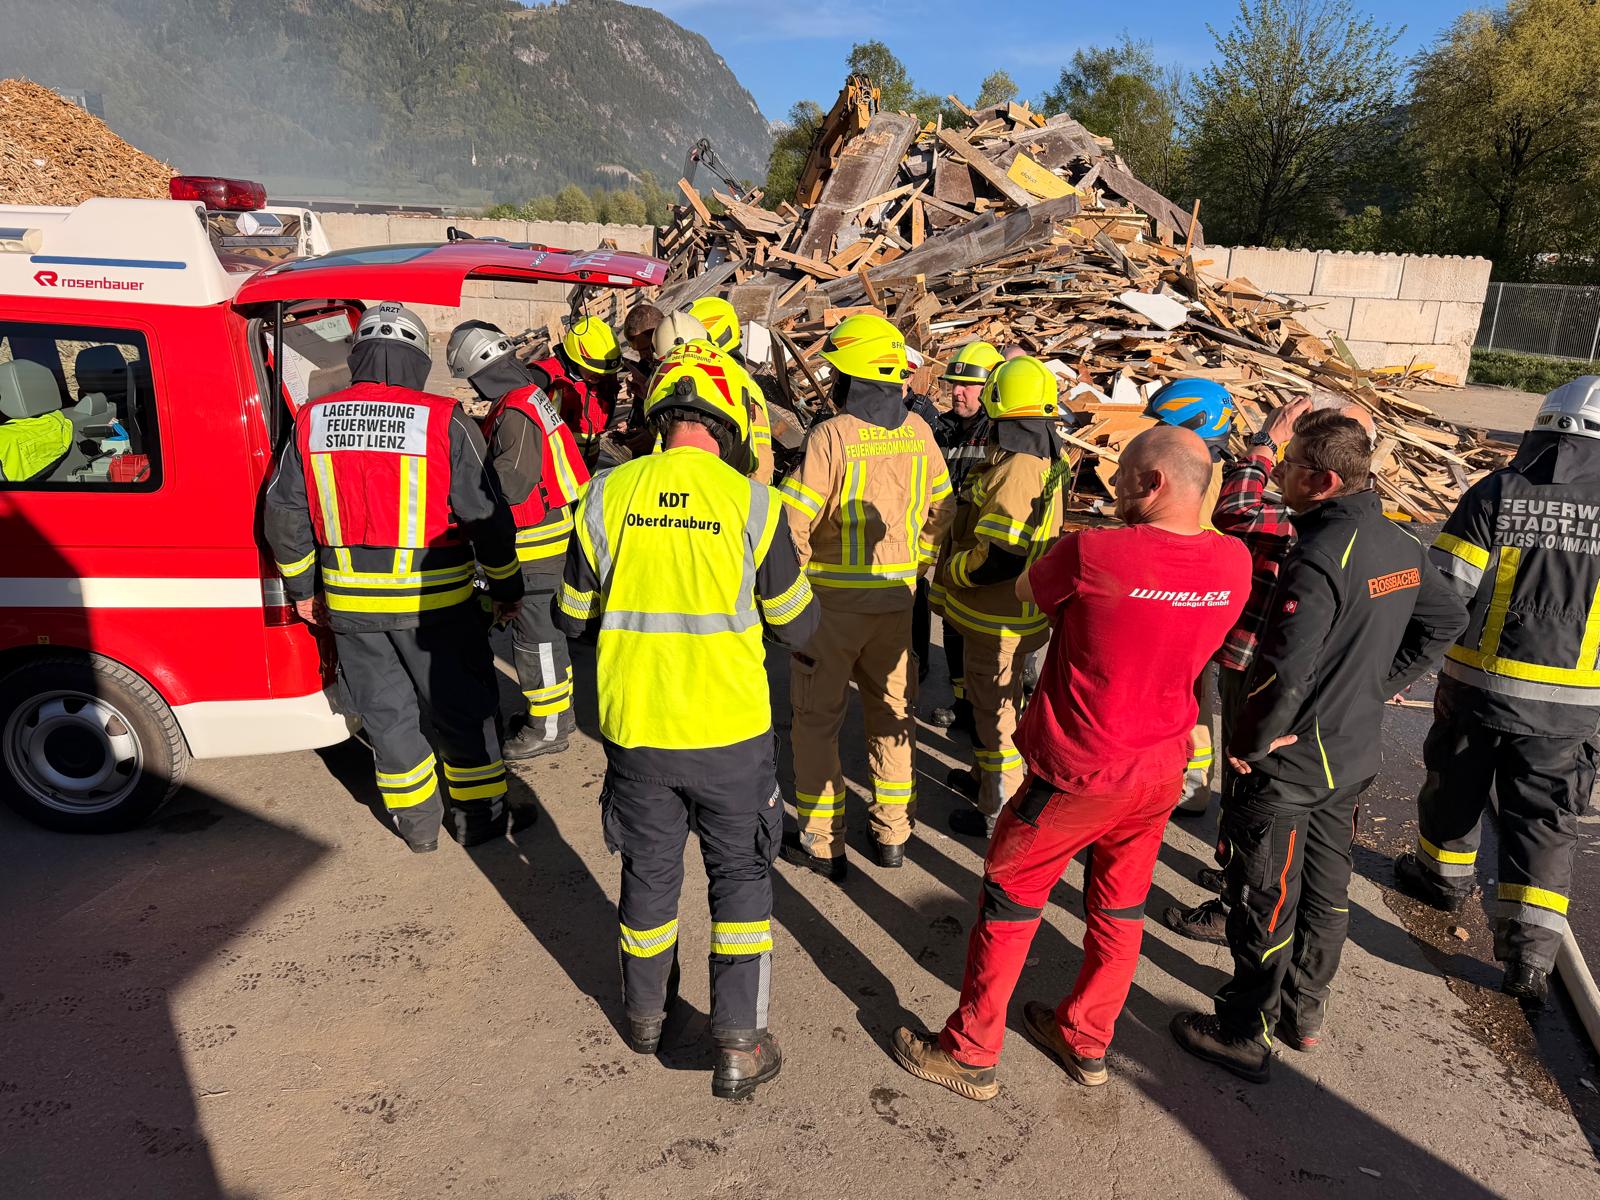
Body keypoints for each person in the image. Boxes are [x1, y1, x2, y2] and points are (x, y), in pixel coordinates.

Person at [889, 426, 1250, 1100]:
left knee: (1009, 899)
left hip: (1077, 773)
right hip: (1159, 774)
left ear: (1153, 483)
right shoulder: (1234, 562)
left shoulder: (1095, 552)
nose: (1113, 490)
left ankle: (970, 1051)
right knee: (1119, 911)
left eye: (1123, 479)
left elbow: (1029, 591)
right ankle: (1086, 1039)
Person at [555, 340, 818, 1100]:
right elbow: (797, 627)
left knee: (649, 873)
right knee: (739, 880)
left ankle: (645, 1017)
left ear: (659, 416)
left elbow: (570, 614)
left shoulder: (607, 493)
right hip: (730, 735)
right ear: (731, 422)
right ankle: (738, 1044)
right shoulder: (754, 503)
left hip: (637, 730)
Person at [1171, 410, 1466, 1082]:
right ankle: (1304, 1011)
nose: (1279, 473)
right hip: (1352, 754)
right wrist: (1375, 686)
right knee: (1327, 890)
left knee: (1265, 896)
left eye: (1290, 465)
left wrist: (1251, 742)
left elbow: (1285, 669)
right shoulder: (1397, 541)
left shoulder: (1320, 554)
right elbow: (1446, 618)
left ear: (1324, 480)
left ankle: (1243, 1031)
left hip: (1294, 762)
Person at [264, 303, 526, 852]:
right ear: (418, 360)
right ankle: (479, 820)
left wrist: (304, 589)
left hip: (353, 608)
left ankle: (418, 828)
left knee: (387, 719)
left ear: (359, 355)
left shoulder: (312, 419)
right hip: (438, 609)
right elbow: (486, 517)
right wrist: (506, 588)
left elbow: (284, 514)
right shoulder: (443, 418)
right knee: (462, 711)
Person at [1394, 377, 1600, 1006]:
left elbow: (1444, 593)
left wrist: (1399, 661)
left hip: (1475, 688)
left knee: (1454, 784)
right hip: (1571, 707)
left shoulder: (1496, 492)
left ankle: (1441, 879)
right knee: (1545, 820)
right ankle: (1529, 960)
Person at [1165, 394, 1377, 942]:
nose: (1286, 466)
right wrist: (1384, 675)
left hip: (1262, 670)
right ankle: (1238, 878)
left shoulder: (1300, 522)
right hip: (1321, 682)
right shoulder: (1371, 529)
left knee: (1252, 788)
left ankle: (1235, 903)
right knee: (1273, 800)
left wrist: (1267, 440)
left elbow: (1234, 511)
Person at [777, 313, 957, 877]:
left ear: (850, 377)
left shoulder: (831, 436)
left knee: (816, 721)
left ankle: (822, 841)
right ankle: (892, 834)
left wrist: (792, 592)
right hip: (896, 602)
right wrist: (918, 563)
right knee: (892, 714)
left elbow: (792, 522)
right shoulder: (920, 432)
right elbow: (944, 507)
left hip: (830, 609)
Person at [936, 357, 1071, 838]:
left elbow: (999, 557)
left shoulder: (1018, 469)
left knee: (995, 716)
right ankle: (982, 779)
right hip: (1015, 614)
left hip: (996, 618)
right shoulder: (1043, 457)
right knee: (995, 704)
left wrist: (951, 571)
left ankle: (998, 809)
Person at [447, 321, 589, 759]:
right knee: (546, 637)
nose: (473, 388)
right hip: (553, 535)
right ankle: (558, 717)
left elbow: (512, 482)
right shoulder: (526, 397)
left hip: (537, 547)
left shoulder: (515, 412)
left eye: (472, 379)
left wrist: (464, 495)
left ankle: (547, 730)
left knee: (536, 641)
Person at [1144, 377, 1236, 813]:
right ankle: (1194, 783)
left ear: (1193, 422)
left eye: (1164, 425)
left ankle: (1192, 784)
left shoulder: (1198, 477)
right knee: (1194, 694)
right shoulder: (1208, 468)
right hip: (1197, 603)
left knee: (1187, 695)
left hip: (1182, 604)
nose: (1155, 433)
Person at [925, 341, 1005, 736]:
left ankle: (994, 706)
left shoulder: (1001, 435)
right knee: (952, 624)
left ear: (991, 388)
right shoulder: (942, 428)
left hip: (986, 552)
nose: (957, 392)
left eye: (967, 386)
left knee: (989, 638)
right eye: (953, 384)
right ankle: (962, 701)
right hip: (950, 547)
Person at [686, 296, 775, 484]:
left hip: (733, 492)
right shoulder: (712, 378)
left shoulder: (740, 384)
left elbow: (761, 464)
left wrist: (750, 500)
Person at [529, 316, 624, 469]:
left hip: (587, 468)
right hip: (553, 468)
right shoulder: (544, 377)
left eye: (605, 371)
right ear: (575, 359)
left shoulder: (605, 379)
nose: (600, 375)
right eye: (594, 370)